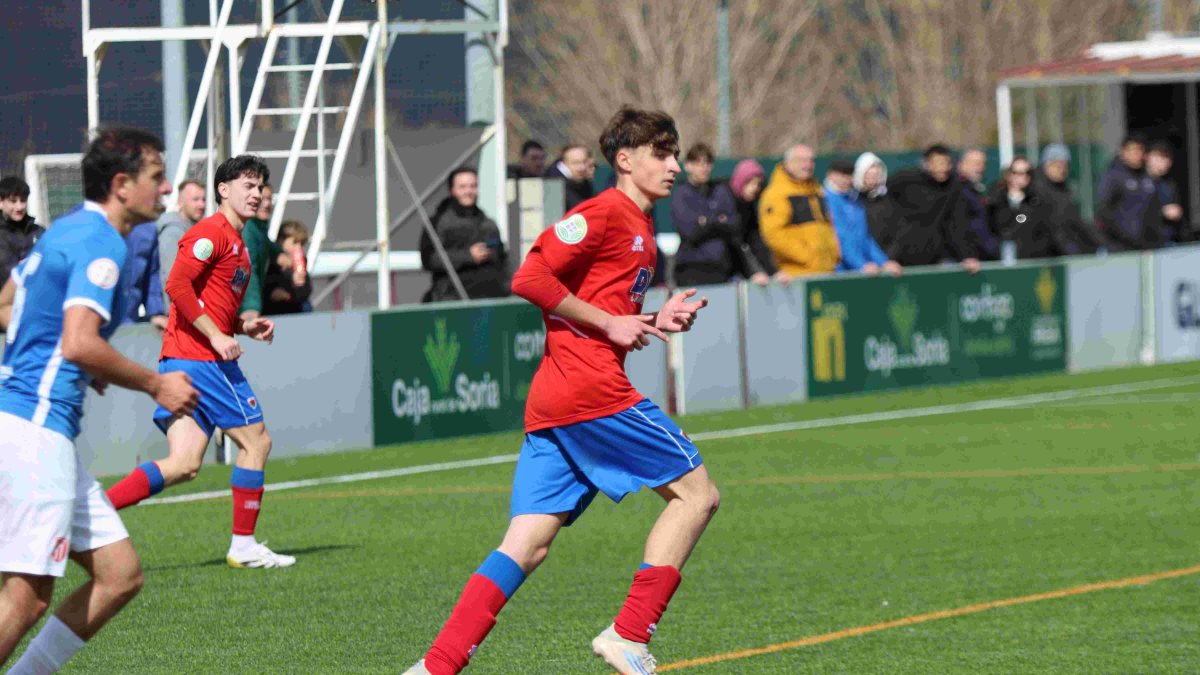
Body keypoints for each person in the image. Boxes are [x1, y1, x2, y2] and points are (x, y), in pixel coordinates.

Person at [404, 106, 716, 675]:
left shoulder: (642, 227)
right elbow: (529, 277)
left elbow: (605, 308)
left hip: (559, 400)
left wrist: (648, 319)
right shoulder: (601, 213)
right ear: (625, 161)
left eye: (675, 154)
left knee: (526, 545)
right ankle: (628, 635)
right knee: (697, 495)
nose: (674, 165)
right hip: (589, 392)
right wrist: (610, 323)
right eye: (662, 154)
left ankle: (435, 667)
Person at [0, 126, 198, 673]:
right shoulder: (104, 242)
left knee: (120, 575)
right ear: (121, 185)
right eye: (156, 179)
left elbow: (7, 305)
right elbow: (79, 339)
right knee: (28, 595)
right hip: (35, 430)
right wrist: (156, 383)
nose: (164, 190)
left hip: (30, 425)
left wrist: (75, 360)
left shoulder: (67, 230)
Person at [104, 155, 294, 570]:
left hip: (184, 358)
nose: (257, 192)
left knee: (185, 464)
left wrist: (244, 328)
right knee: (256, 441)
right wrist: (217, 336)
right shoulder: (211, 233)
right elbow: (176, 285)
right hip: (201, 360)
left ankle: (96, 511)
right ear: (223, 190)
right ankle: (243, 545)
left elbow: (214, 308)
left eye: (260, 185)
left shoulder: (240, 246)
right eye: (247, 184)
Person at [884, 144, 981, 272]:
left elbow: (957, 224)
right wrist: (888, 258)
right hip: (901, 259)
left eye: (947, 163)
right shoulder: (904, 180)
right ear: (927, 164)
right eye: (938, 163)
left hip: (937, 258)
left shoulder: (954, 188)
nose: (943, 168)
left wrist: (967, 256)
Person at [419, 167, 510, 302]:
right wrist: (468, 256)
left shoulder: (488, 223)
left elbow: (502, 258)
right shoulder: (437, 222)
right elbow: (429, 259)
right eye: (462, 187)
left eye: (473, 186)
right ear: (452, 191)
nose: (468, 191)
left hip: (490, 298)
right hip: (452, 299)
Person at [670, 143, 746, 286]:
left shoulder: (720, 190)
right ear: (687, 166)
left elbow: (734, 225)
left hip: (722, 268)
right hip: (691, 269)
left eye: (707, 163)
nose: (704, 168)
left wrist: (705, 221)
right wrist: (718, 220)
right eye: (698, 163)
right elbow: (690, 231)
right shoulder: (681, 194)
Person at [759, 144, 841, 276]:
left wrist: (834, 253)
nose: (808, 165)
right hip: (797, 274)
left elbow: (829, 225)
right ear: (788, 163)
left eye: (811, 160)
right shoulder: (777, 193)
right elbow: (774, 234)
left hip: (826, 270)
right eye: (802, 160)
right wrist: (808, 256)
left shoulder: (816, 190)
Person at [823, 159, 900, 276]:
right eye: (842, 174)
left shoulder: (854, 200)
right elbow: (839, 239)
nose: (846, 179)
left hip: (861, 271)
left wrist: (884, 262)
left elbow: (865, 237)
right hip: (837, 273)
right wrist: (861, 265)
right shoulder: (824, 199)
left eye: (849, 174)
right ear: (831, 175)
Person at [1032, 143, 1104, 256]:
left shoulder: (1062, 190)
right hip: (1044, 254)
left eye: (1065, 166)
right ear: (1047, 165)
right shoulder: (1036, 190)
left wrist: (1101, 243)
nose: (1062, 170)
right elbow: (1028, 220)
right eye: (1058, 165)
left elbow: (1075, 221)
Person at [1096, 134, 1163, 252]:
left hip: (1148, 247)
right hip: (1120, 247)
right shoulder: (1112, 177)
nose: (1137, 154)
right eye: (1133, 150)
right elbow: (1103, 212)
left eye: (1140, 150)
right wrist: (1123, 237)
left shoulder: (1147, 178)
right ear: (1123, 151)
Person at [988, 156, 1055, 260]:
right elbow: (999, 227)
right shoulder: (995, 200)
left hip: (1030, 259)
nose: (1023, 176)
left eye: (1027, 172)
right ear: (1009, 175)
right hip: (1001, 259)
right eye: (1017, 172)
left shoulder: (1036, 201)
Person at [729, 158, 781, 286]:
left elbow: (755, 241)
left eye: (758, 184)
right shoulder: (727, 203)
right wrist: (751, 273)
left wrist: (773, 272)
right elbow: (733, 244)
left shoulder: (749, 207)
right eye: (750, 183)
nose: (755, 188)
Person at [157, 179, 206, 292]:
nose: (201, 205)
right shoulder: (173, 232)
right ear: (181, 202)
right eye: (195, 199)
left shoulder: (195, 231)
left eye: (203, 199)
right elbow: (172, 279)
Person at [121, 220, 168, 330]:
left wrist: (156, 312)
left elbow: (152, 273)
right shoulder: (89, 223)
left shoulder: (148, 228)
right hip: (94, 323)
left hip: (129, 321)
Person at [0, 176, 43, 293]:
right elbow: (10, 273)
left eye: (23, 200)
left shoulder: (38, 231)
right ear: (1, 202)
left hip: (36, 299)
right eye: (13, 201)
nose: (19, 207)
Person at [262, 220, 312, 315]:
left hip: (293, 310)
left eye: (301, 244)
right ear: (281, 241)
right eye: (295, 243)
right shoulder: (269, 260)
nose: (298, 248)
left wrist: (290, 295)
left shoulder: (301, 263)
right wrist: (271, 292)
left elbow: (306, 291)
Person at [958, 148, 997, 261]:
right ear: (961, 164)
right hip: (966, 260)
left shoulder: (981, 190)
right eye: (975, 163)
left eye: (983, 164)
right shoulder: (956, 191)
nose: (980, 168)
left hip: (983, 256)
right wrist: (967, 254)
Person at [1146, 141, 1186, 243]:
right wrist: (1162, 212)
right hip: (1142, 242)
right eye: (1160, 157)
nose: (1165, 162)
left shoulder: (1169, 184)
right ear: (1148, 157)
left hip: (1167, 240)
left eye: (1168, 158)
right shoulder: (1135, 182)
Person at [853, 152, 892, 251]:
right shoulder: (852, 200)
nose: (872, 179)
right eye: (868, 175)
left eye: (876, 175)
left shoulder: (888, 201)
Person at [546, 144, 595, 211]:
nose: (582, 167)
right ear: (564, 165)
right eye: (576, 163)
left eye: (585, 162)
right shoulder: (554, 188)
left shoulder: (585, 184)